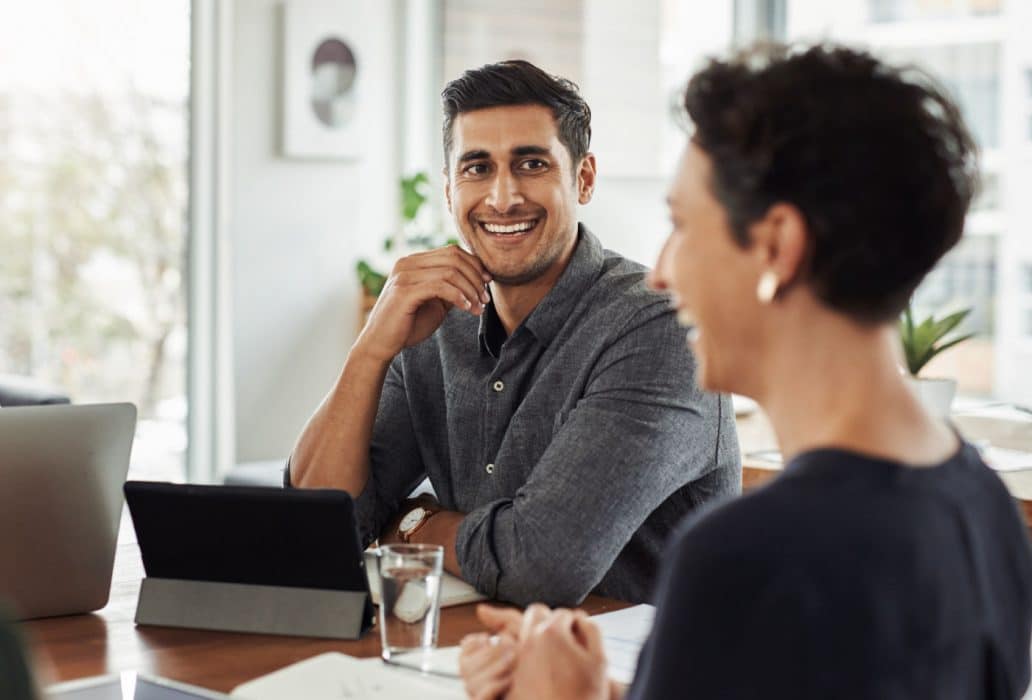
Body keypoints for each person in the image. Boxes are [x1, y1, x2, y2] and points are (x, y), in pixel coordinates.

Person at [459, 43, 1032, 699]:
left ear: (776, 248)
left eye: (682, 226)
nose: (661, 271)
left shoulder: (746, 559)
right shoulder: (980, 501)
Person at [287, 60, 740, 606]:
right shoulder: (436, 321)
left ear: (584, 178)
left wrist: (413, 524)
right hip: (477, 658)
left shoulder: (657, 329)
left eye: (531, 163)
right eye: (477, 168)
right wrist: (370, 350)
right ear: (450, 189)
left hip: (628, 678)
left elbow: (543, 565)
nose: (502, 198)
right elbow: (314, 522)